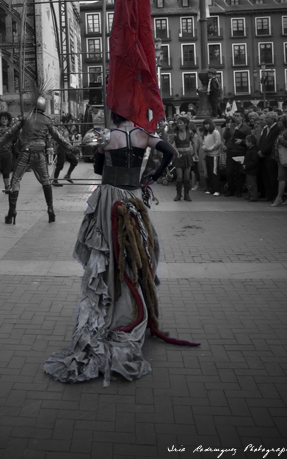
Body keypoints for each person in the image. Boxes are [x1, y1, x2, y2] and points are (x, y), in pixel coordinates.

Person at [43, 112, 194, 385]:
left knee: (109, 251)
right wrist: (153, 175)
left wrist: (104, 150)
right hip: (134, 195)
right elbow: (170, 152)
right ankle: (134, 307)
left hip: (110, 196)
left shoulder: (106, 136)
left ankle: (110, 302)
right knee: (136, 251)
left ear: (113, 116)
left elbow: (100, 170)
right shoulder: (144, 135)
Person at [0, 95, 76, 224]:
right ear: (43, 107)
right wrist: (70, 147)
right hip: (40, 154)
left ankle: (12, 211)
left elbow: (11, 133)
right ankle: (50, 210)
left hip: (25, 153)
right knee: (46, 181)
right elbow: (58, 137)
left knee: (15, 181)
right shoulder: (47, 120)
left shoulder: (25, 118)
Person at [271, 114, 287, 207]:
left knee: (281, 178)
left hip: (285, 159)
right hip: (283, 158)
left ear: (285, 123)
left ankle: (279, 198)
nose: (278, 123)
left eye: (280, 121)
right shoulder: (283, 131)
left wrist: (281, 140)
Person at [222, 113, 251, 197]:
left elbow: (248, 139)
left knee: (239, 172)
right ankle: (231, 189)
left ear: (242, 117)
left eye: (238, 116)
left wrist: (241, 141)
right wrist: (227, 129)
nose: (236, 117)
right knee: (229, 171)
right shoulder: (230, 126)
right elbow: (225, 137)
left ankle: (239, 190)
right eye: (235, 116)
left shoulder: (247, 128)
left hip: (240, 151)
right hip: (230, 151)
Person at [168, 115, 193, 201]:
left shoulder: (190, 133)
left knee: (187, 177)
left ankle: (186, 194)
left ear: (185, 124)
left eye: (181, 123)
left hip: (187, 156)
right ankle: (178, 195)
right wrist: (175, 151)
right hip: (179, 156)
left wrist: (193, 152)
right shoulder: (175, 133)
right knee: (179, 177)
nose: (179, 124)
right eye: (178, 123)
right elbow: (170, 144)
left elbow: (193, 142)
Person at [257, 111, 280, 201]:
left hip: (271, 156)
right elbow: (262, 140)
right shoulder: (266, 128)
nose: (265, 119)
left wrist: (263, 151)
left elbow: (273, 143)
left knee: (272, 176)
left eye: (267, 118)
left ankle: (273, 195)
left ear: (273, 119)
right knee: (265, 176)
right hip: (262, 156)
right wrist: (259, 151)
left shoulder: (277, 128)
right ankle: (268, 194)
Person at [201, 118, 222, 196]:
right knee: (209, 172)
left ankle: (217, 189)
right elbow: (203, 142)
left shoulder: (215, 132)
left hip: (214, 156)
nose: (206, 126)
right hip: (207, 155)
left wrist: (210, 149)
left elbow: (218, 143)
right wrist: (204, 147)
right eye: (205, 124)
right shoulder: (206, 133)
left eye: (207, 124)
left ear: (211, 124)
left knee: (214, 172)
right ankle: (211, 189)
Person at [243, 134, 259, 202]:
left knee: (252, 184)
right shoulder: (249, 150)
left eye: (246, 141)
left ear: (250, 142)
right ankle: (250, 195)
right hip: (248, 170)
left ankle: (254, 196)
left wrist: (246, 165)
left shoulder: (254, 150)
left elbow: (254, 161)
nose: (245, 143)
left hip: (252, 170)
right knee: (248, 183)